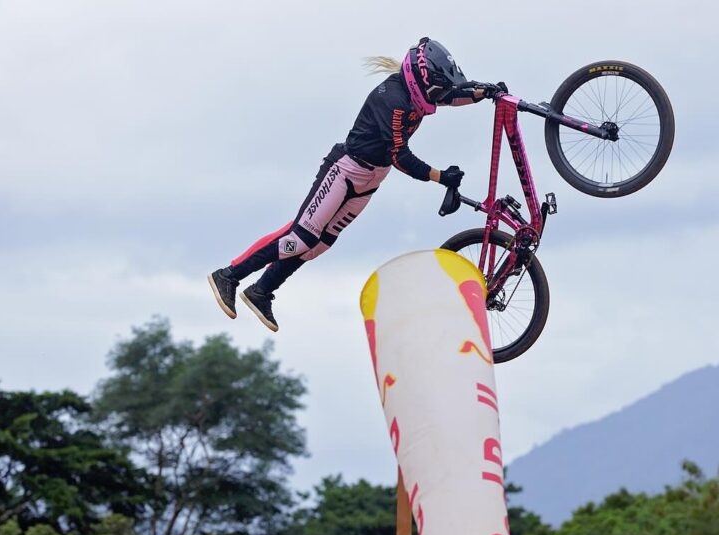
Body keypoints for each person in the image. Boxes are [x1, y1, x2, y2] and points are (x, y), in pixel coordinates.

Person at [207, 37, 505, 331]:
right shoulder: (392, 99)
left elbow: (451, 95)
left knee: (318, 246)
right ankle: (229, 275)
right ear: (421, 78)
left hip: (371, 179)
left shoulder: (420, 92)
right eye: (435, 88)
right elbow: (400, 156)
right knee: (301, 237)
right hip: (345, 171)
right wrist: (441, 176)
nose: (438, 94)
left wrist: (483, 92)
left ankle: (262, 291)